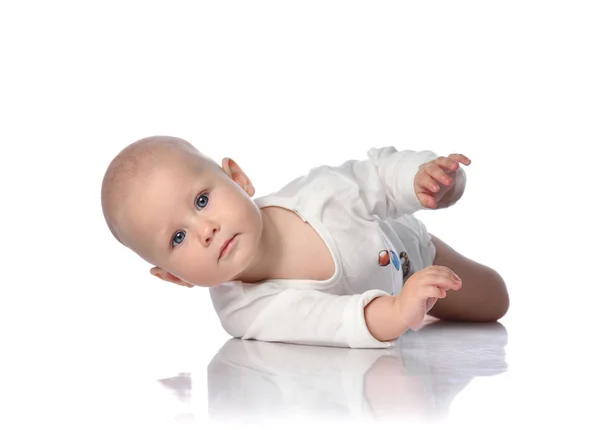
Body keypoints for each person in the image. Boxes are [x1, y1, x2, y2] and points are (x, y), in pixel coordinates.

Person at [100, 136, 509, 348]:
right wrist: (401, 310)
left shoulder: (318, 195)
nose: (204, 230)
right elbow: (333, 322)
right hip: (392, 304)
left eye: (202, 201)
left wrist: (424, 180)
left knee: (495, 300)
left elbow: (376, 177)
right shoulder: (248, 312)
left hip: (413, 255)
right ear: (174, 277)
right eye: (177, 237)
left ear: (238, 179)